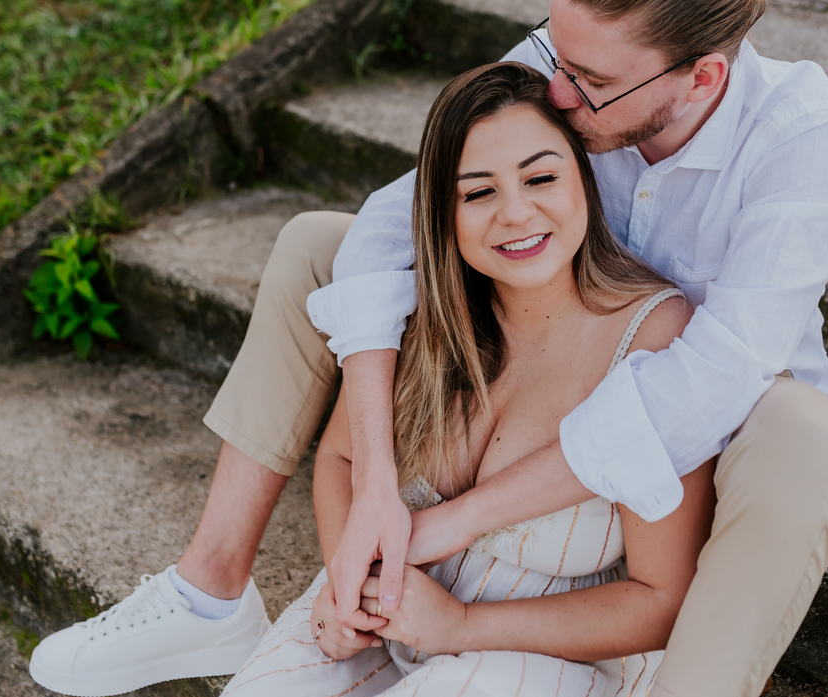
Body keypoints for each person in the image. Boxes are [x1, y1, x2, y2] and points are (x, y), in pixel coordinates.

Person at [29, 0, 828, 696]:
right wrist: (375, 487)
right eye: (556, 55)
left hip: (715, 416)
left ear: (702, 77)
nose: (557, 93)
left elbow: (713, 376)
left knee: (807, 435)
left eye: (588, 82)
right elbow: (403, 214)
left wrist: (448, 523)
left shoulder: (800, 132)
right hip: (538, 327)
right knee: (320, 247)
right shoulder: (577, 60)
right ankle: (209, 590)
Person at [221, 60, 714, 695]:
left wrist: (460, 625)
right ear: (442, 213)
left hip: (555, 658)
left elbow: (662, 599)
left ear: (585, 183)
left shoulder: (654, 336)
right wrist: (348, 585)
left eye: (541, 178)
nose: (516, 212)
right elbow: (343, 457)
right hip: (392, 620)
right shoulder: (419, 313)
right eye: (478, 193)